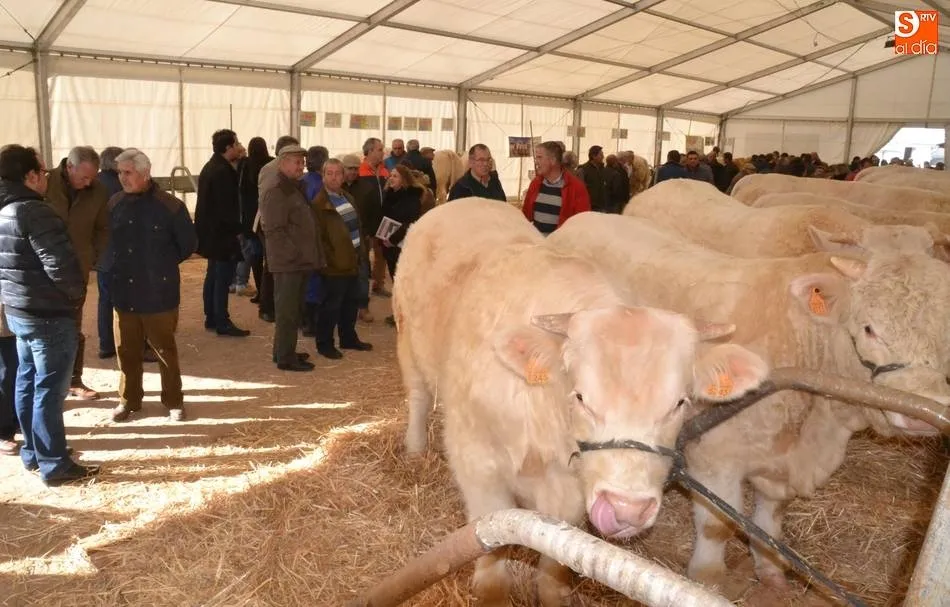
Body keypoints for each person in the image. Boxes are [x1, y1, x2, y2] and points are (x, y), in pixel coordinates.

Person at [0, 144, 98, 485]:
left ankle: (33, 454)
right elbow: (59, 264)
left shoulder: (4, 208)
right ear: (29, 176)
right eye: (42, 172)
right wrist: (74, 296)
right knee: (49, 390)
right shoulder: (34, 211)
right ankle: (55, 463)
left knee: (26, 381)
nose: (45, 178)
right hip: (46, 312)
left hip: (18, 310)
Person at [106, 149, 197, 423]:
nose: (122, 178)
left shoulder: (170, 206)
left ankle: (173, 401)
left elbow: (187, 245)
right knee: (126, 352)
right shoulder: (114, 204)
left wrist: (160, 265)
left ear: (145, 173)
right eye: (119, 172)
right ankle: (128, 400)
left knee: (165, 351)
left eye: (128, 172)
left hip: (159, 292)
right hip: (124, 292)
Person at [45, 145, 110, 401]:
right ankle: (47, 384)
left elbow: (104, 229)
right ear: (69, 167)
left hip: (77, 270)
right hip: (43, 272)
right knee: (44, 330)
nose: (88, 182)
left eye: (92, 177)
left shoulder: (99, 191)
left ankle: (74, 380)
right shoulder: (44, 184)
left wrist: (92, 257)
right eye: (83, 177)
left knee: (73, 325)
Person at [259, 145, 324, 372]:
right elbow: (273, 230)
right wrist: (295, 254)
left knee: (293, 310)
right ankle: (286, 359)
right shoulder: (277, 191)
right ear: (282, 163)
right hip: (289, 263)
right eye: (296, 162)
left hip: (297, 261)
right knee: (287, 311)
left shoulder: (293, 187)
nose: (301, 166)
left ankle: (283, 351)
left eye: (302, 162)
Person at [312, 159, 373, 359]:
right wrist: (330, 260)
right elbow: (318, 238)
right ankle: (324, 343)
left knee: (350, 304)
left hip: (353, 261)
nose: (334, 177)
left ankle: (348, 338)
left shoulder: (347, 197)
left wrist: (361, 253)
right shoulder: (319, 204)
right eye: (329, 173)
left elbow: (358, 226)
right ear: (323, 177)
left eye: (338, 173)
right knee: (331, 306)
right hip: (335, 266)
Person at [195, 129, 250, 337]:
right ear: (228, 147)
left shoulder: (211, 167)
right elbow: (226, 208)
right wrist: (237, 231)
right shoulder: (222, 172)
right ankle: (222, 321)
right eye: (236, 144)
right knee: (222, 278)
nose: (238, 147)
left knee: (213, 276)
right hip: (222, 235)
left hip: (211, 233)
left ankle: (211, 316)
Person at [379, 164, 423, 326]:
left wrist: (392, 239)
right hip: (389, 245)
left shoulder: (412, 199)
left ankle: (405, 315)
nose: (391, 178)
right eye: (390, 175)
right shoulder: (390, 195)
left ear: (404, 180)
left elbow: (409, 223)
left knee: (403, 281)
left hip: (401, 246)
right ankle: (400, 312)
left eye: (395, 176)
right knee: (396, 279)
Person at [521, 141, 591, 235]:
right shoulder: (536, 183)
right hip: (537, 245)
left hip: (562, 246)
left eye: (539, 157)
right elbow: (525, 215)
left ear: (553, 160)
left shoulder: (576, 187)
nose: (536, 162)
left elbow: (583, 222)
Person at [94, 146, 124, 360]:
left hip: (102, 253)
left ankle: (106, 344)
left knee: (105, 299)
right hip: (119, 252)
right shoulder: (118, 186)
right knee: (125, 300)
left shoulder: (93, 182)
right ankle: (127, 344)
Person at [576, 145, 608, 212]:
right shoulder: (583, 170)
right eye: (600, 155)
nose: (603, 157)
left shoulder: (603, 169)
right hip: (590, 206)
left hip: (602, 206)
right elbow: (580, 189)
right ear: (593, 156)